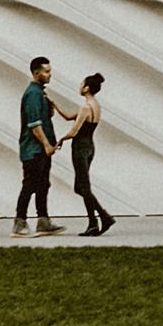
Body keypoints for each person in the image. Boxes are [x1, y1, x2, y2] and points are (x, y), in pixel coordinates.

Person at [12, 56, 63, 239]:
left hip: (41, 150)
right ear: (36, 73)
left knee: (43, 185)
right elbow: (34, 125)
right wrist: (47, 145)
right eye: (47, 71)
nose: (50, 75)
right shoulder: (33, 94)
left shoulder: (40, 93)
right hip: (34, 150)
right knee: (30, 185)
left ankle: (43, 221)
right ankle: (19, 223)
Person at [61, 72, 116, 237]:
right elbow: (68, 117)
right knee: (81, 187)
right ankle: (101, 218)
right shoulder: (96, 106)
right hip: (90, 146)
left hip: (80, 148)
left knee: (83, 187)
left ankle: (98, 220)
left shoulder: (85, 107)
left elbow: (74, 131)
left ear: (86, 88)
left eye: (81, 84)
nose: (79, 86)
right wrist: (53, 104)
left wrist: (59, 141)